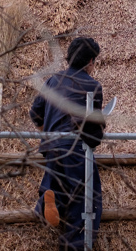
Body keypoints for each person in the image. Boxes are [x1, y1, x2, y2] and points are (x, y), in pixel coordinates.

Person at [30, 37, 104, 251]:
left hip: (52, 149)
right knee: (86, 200)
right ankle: (75, 246)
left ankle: (47, 201)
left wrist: (50, 134)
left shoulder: (53, 81)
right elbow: (93, 132)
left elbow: (35, 113)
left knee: (60, 185)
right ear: (90, 61)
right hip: (76, 151)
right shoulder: (93, 86)